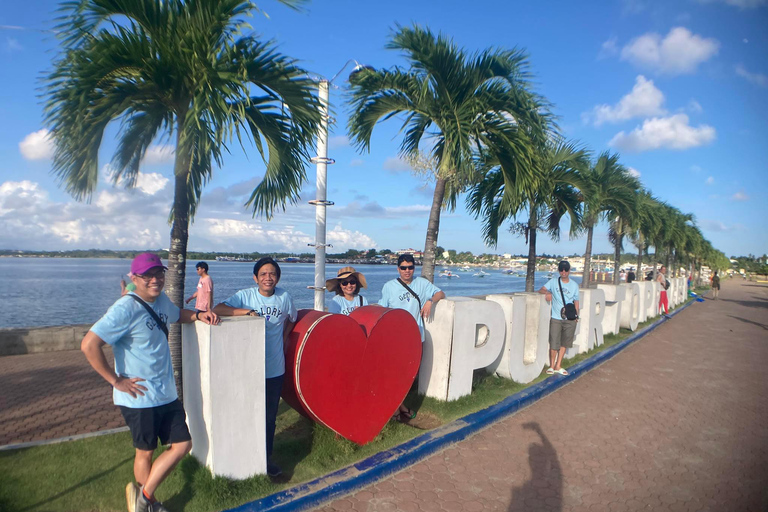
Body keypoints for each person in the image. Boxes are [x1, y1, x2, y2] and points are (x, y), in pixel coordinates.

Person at [81, 253, 219, 512]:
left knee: (182, 444)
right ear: (135, 278)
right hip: (138, 396)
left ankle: (143, 498)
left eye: (158, 273)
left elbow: (177, 314)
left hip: (165, 393)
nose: (155, 279)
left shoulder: (161, 300)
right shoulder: (124, 308)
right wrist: (115, 381)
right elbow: (89, 344)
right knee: (145, 452)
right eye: (147, 275)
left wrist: (199, 315)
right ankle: (149, 504)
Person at [212, 257, 296, 478]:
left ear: (278, 277)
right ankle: (243, 460)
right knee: (247, 415)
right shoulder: (245, 296)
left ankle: (265, 460)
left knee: (269, 418)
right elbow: (218, 308)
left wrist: (284, 338)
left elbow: (291, 319)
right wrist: (246, 313)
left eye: (272, 274)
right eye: (263, 274)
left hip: (275, 369)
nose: (268, 278)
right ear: (255, 278)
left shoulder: (285, 297)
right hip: (249, 370)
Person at [379, 254, 445, 422]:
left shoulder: (421, 284)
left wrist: (430, 301)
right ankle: (399, 408)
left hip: (415, 337)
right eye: (403, 267)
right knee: (396, 375)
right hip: (395, 338)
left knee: (408, 376)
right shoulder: (389, 286)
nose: (407, 271)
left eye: (410, 267)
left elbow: (440, 293)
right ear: (398, 269)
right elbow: (382, 309)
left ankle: (397, 408)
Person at [538, 260, 580, 377]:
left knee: (564, 343)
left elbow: (576, 302)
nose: (563, 272)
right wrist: (546, 294)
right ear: (559, 270)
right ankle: (551, 365)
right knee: (554, 342)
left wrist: (577, 315)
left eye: (566, 270)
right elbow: (541, 289)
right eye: (561, 269)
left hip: (570, 318)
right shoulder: (553, 282)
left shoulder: (574, 285)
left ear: (569, 271)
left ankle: (558, 365)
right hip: (556, 317)